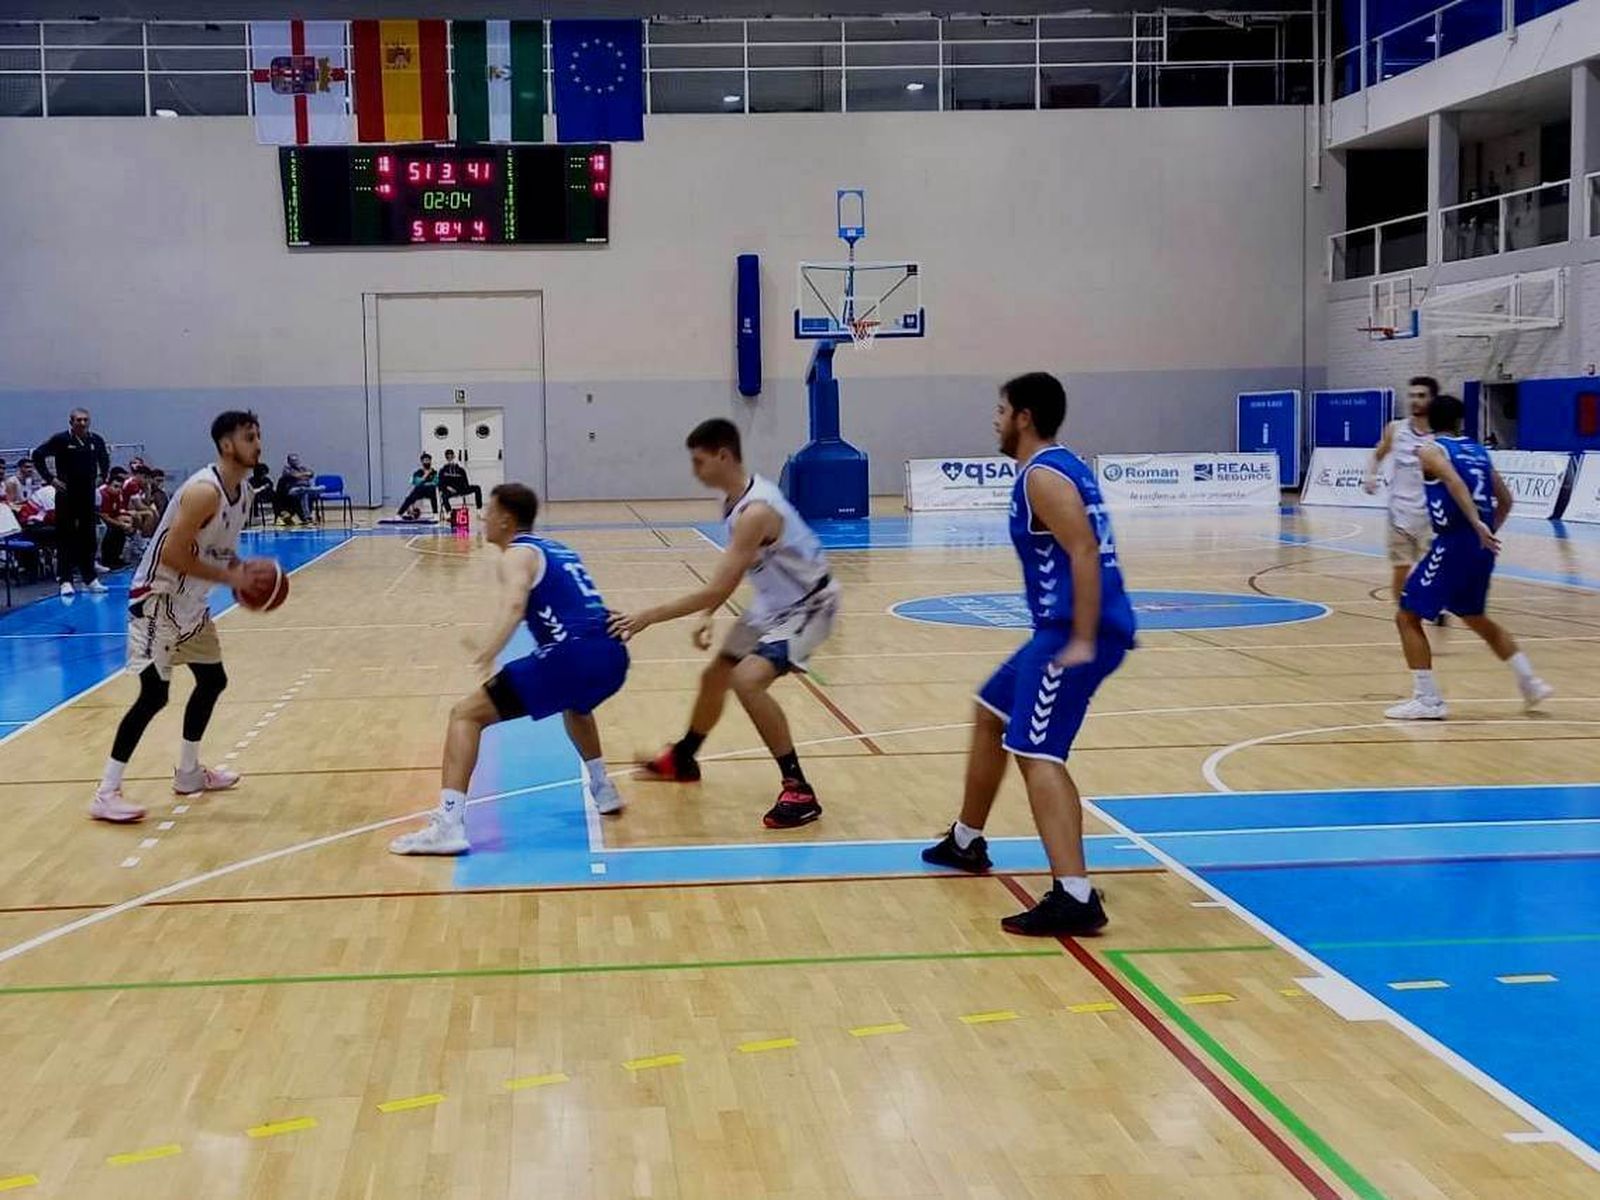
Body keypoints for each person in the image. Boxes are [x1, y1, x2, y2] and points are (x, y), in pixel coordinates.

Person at [920, 373, 1137, 937]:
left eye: (1001, 409)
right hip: (1061, 626)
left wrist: (1083, 637)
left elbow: (1085, 549)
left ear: (1024, 417)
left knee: (1038, 753)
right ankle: (966, 840)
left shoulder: (1042, 475)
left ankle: (1075, 895)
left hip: (1072, 631)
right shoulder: (1055, 466)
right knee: (991, 709)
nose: (994, 418)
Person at [609, 418, 840, 829]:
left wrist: (646, 617)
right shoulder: (736, 501)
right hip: (774, 604)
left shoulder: (755, 511)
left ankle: (799, 788)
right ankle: (684, 758)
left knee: (747, 681)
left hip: (810, 607)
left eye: (699, 461)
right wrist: (707, 615)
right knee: (715, 676)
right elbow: (737, 572)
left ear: (723, 455)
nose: (695, 470)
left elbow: (716, 588)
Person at [389, 483, 629, 855]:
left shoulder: (516, 555)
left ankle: (449, 825)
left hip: (571, 656)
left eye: (488, 509)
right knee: (577, 704)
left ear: (506, 518)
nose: (482, 516)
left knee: (465, 715)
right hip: (613, 656)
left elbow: (515, 605)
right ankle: (603, 789)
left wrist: (489, 651)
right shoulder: (559, 549)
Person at [91, 412, 266, 824]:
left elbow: (218, 549)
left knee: (213, 679)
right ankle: (105, 791)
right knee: (153, 695)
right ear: (227, 445)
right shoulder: (204, 491)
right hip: (158, 599)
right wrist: (229, 577)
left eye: (259, 436)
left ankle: (189, 773)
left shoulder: (245, 493)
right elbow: (172, 554)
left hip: (193, 604)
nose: (258, 444)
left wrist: (242, 571)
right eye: (250, 437)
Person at [1386, 393, 1553, 720]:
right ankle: (1530, 681)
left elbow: (1452, 480)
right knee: (1475, 616)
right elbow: (1505, 499)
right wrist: (1488, 531)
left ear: (1429, 423)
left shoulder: (1430, 451)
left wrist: (1475, 523)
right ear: (1460, 421)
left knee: (1406, 614)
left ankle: (1428, 700)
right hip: (1480, 547)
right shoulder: (1479, 451)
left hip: (1454, 542)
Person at [1365, 376, 1439, 611]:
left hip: (1432, 514)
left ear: (1432, 399)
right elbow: (1378, 454)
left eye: (1421, 396)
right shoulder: (1395, 429)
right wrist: (1371, 475)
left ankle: (1437, 607)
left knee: (1434, 567)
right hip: (1400, 513)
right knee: (1401, 568)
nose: (1415, 400)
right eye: (1412, 395)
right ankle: (1404, 614)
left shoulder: (1441, 435)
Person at [34, 407, 111, 596]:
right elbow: (37, 455)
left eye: (85, 420)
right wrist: (51, 479)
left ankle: (90, 578)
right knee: (66, 537)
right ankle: (65, 580)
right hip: (66, 495)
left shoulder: (95, 440)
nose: (82, 423)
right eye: (78, 420)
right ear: (71, 422)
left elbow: (104, 459)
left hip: (87, 495)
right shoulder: (61, 440)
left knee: (88, 537)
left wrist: (103, 477)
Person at [97, 466, 137, 569]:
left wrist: (126, 520)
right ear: (108, 485)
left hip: (110, 517)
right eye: (115, 486)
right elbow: (104, 516)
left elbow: (117, 512)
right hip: (99, 520)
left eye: (120, 487)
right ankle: (107, 559)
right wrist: (120, 523)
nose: (118, 489)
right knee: (114, 530)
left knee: (127, 524)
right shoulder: (103, 494)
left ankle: (117, 557)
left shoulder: (117, 494)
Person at [275, 454, 317, 525]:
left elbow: (311, 473)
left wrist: (300, 475)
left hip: (304, 488)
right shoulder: (286, 469)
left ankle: (306, 517)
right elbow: (294, 475)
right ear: (289, 461)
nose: (295, 462)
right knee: (303, 492)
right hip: (292, 489)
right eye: (293, 460)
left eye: (296, 460)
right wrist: (304, 475)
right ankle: (307, 517)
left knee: (305, 493)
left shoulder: (303, 468)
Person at [397, 453, 440, 518]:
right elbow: (416, 482)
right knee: (411, 496)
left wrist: (427, 483)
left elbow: (436, 482)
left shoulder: (434, 472)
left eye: (428, 460)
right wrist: (426, 475)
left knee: (432, 489)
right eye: (425, 460)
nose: (427, 462)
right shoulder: (418, 472)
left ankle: (435, 514)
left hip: (429, 491)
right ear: (422, 462)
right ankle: (399, 514)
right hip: (419, 491)